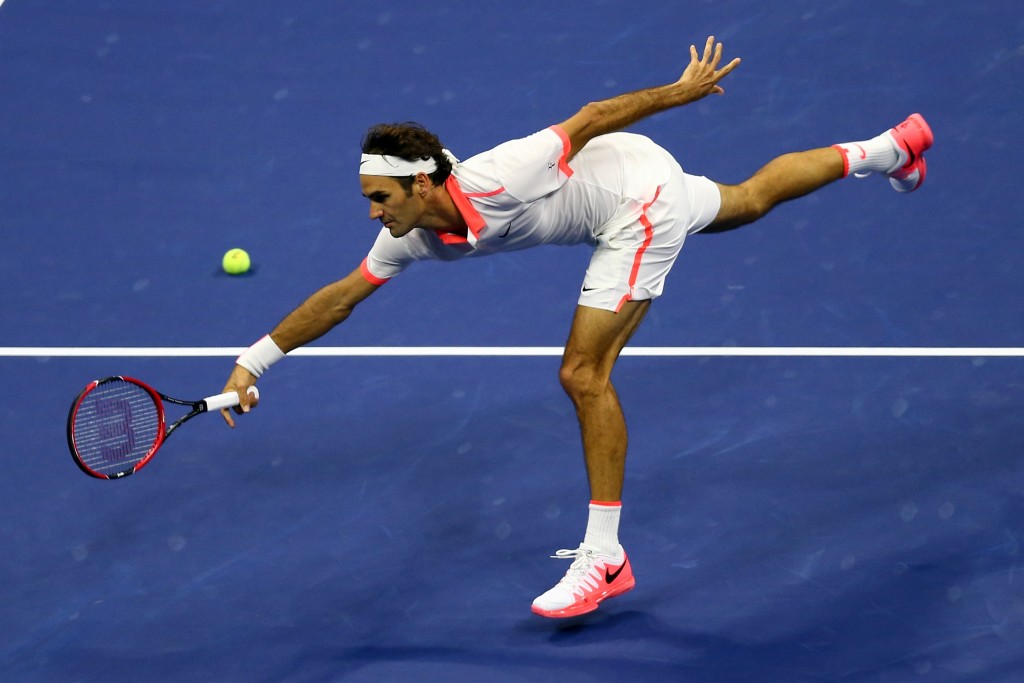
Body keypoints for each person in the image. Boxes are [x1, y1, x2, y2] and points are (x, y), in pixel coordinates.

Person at [220, 36, 932, 619]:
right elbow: (342, 296)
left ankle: (607, 556)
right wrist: (255, 361)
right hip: (625, 180)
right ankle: (888, 149)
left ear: (422, 184)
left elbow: (590, 115)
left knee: (582, 373)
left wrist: (675, 93)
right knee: (746, 200)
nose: (373, 213)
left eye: (380, 198)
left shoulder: (498, 177)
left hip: (636, 199)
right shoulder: (411, 234)